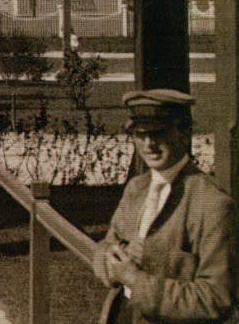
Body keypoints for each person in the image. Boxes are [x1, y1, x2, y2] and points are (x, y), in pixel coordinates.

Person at [93, 88, 237, 324]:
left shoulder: (213, 204)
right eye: (140, 134)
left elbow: (215, 299)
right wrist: (110, 258)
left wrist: (135, 278)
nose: (149, 144)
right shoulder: (136, 189)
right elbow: (106, 245)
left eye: (158, 133)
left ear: (184, 133)